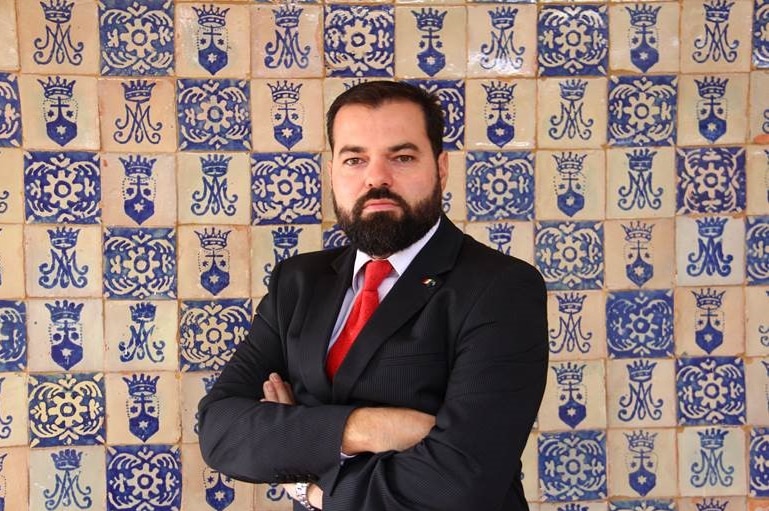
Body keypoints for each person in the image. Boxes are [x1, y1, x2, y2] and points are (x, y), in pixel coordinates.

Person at [198, 80, 548, 511]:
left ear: (440, 169)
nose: (376, 177)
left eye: (401, 157)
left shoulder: (500, 288)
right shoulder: (298, 281)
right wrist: (366, 427)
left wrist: (307, 483)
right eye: (354, 159)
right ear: (332, 172)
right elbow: (219, 431)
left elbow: (458, 482)